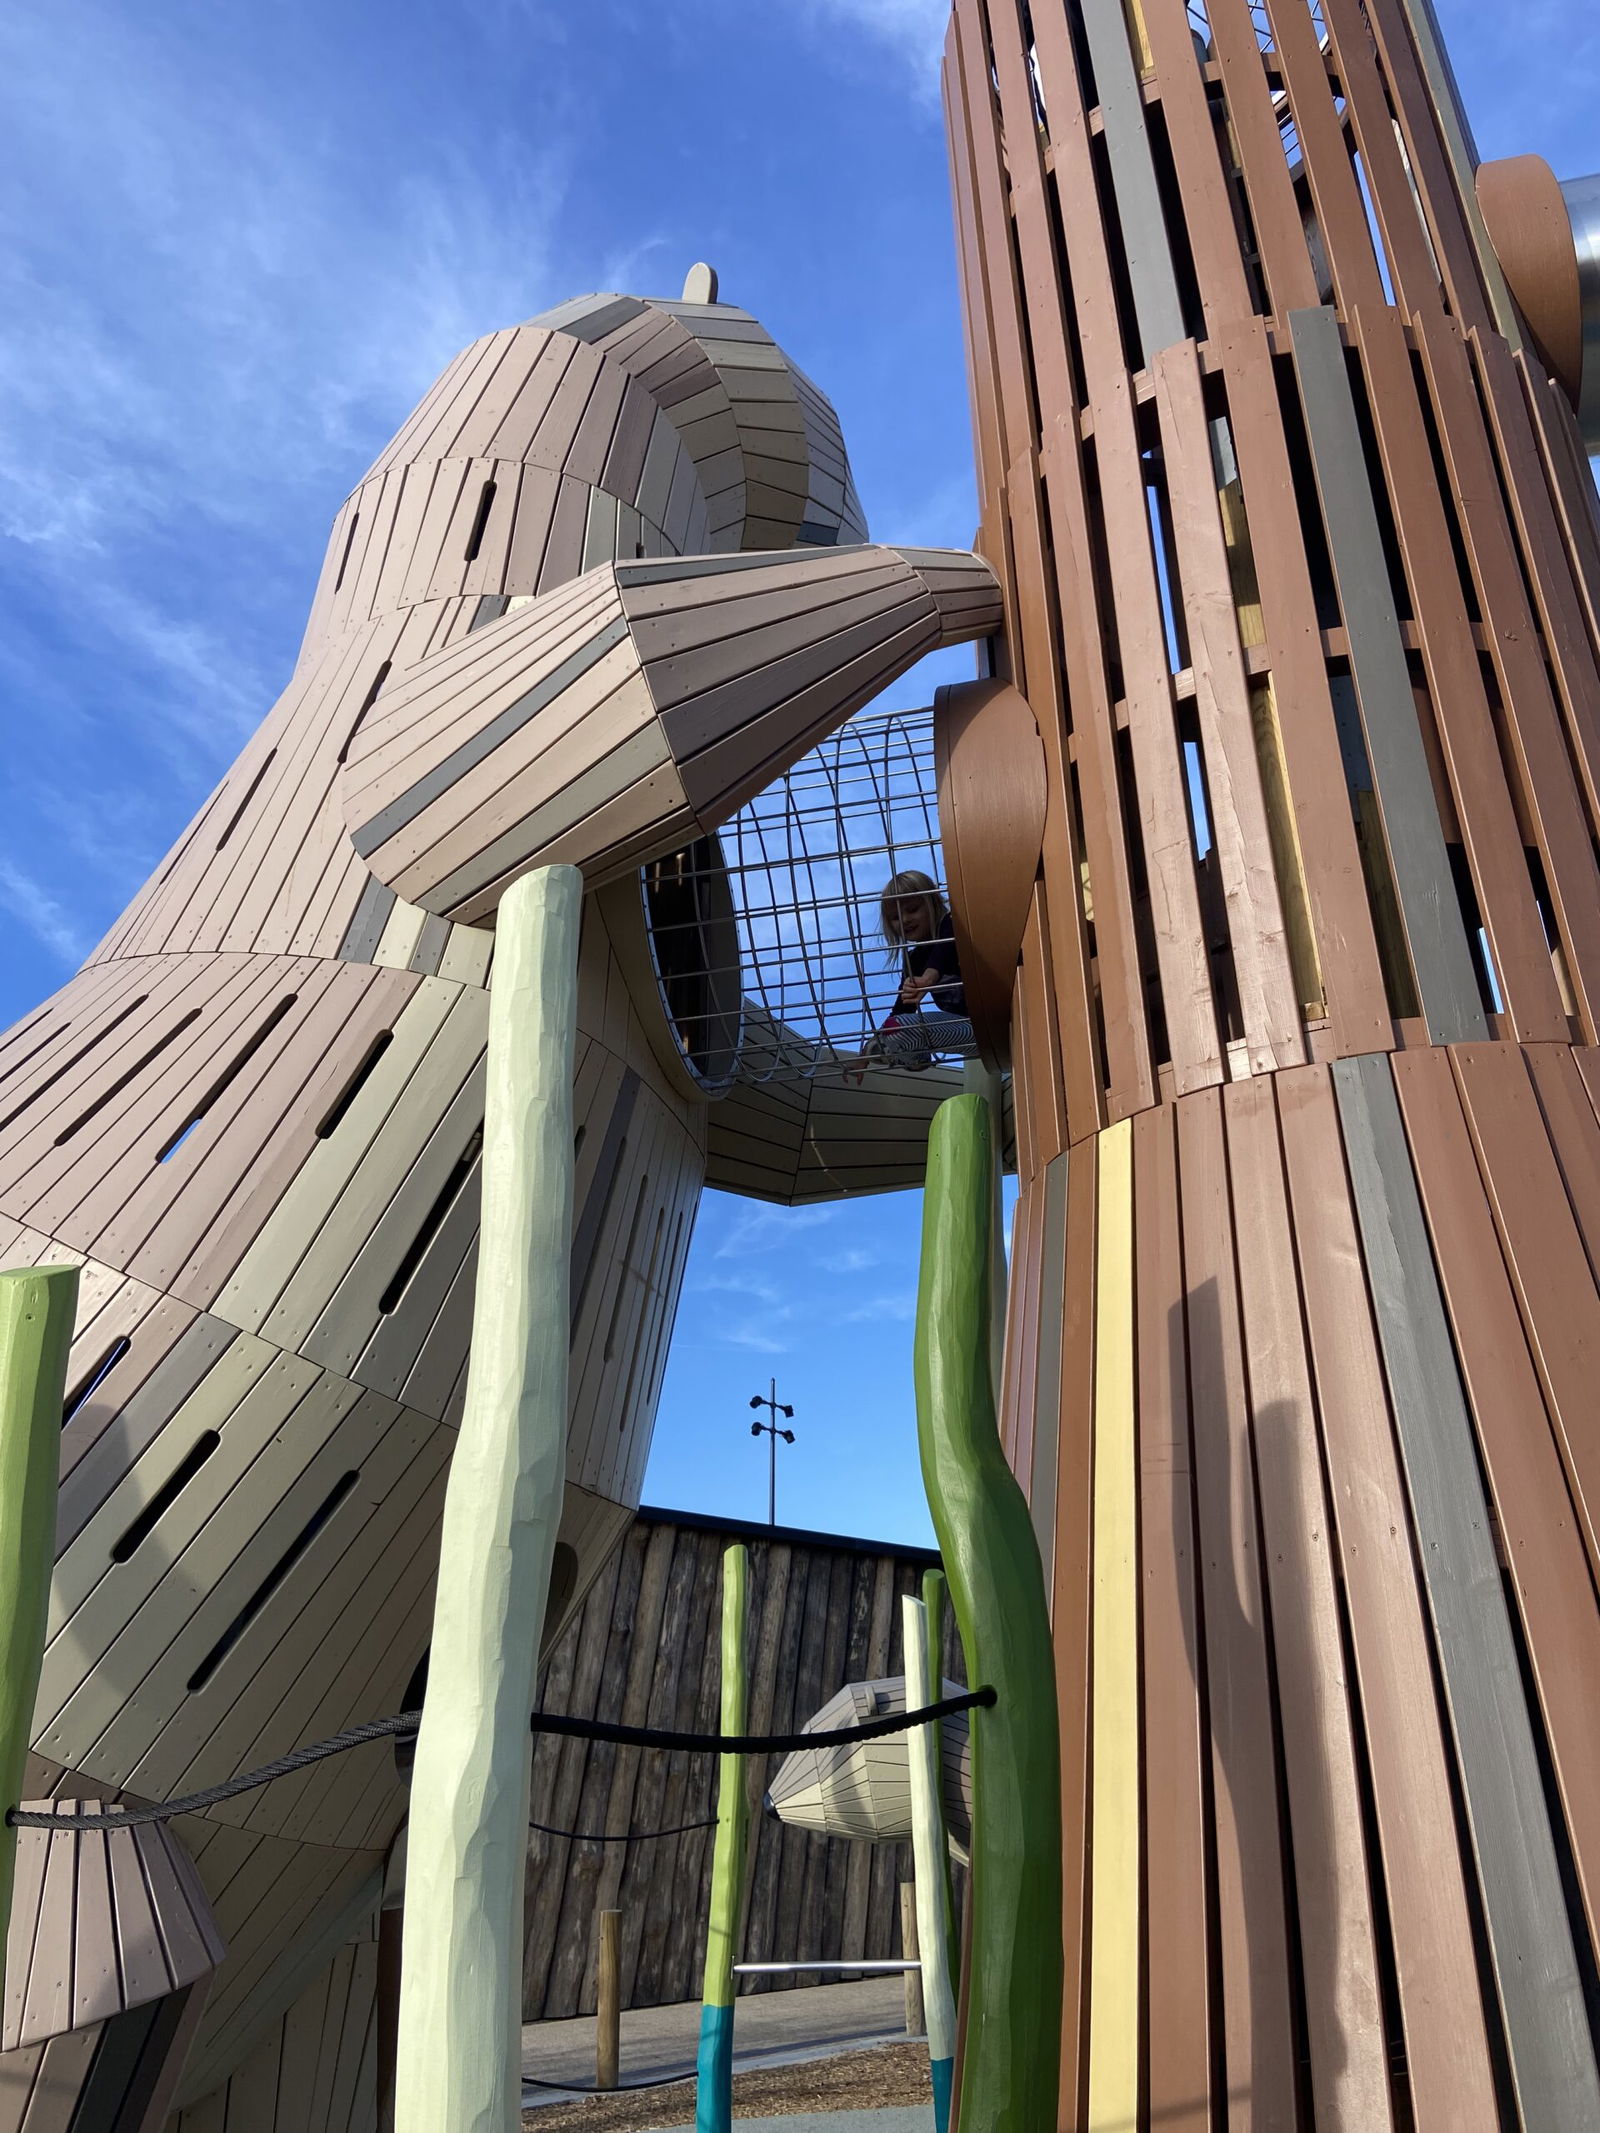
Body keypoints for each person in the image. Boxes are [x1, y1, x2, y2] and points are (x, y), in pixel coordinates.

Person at [843, 870, 974, 1079]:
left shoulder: (954, 924)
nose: (905, 920)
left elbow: (944, 949)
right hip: (969, 1032)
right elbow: (902, 1007)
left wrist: (928, 978)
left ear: (932, 904)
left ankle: (901, 1047)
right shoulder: (913, 961)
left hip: (994, 1014)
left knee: (896, 1028)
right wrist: (865, 1054)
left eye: (912, 910)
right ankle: (915, 1054)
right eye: (895, 917)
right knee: (895, 1027)